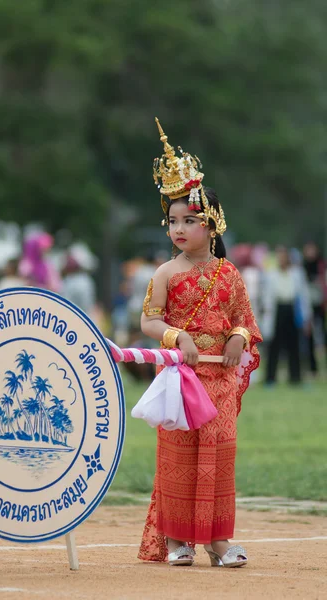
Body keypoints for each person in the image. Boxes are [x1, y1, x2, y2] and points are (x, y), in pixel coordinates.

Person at [138, 119, 262, 568]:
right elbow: (148, 321)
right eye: (172, 221)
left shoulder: (229, 274)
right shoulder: (165, 273)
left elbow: (245, 320)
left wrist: (237, 337)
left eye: (189, 220)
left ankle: (218, 542)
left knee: (219, 456)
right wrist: (178, 335)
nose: (179, 228)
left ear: (212, 224)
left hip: (221, 379)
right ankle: (177, 541)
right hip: (182, 378)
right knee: (179, 457)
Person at [263, 246, 311, 385]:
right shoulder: (271, 274)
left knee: (294, 345)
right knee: (274, 346)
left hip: (292, 309)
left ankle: (295, 378)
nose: (281, 259)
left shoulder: (297, 273)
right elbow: (267, 296)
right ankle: (270, 378)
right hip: (277, 310)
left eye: (283, 256)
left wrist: (307, 317)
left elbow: (303, 295)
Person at [302, 242, 327, 376]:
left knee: (323, 333)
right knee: (309, 336)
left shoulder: (321, 265)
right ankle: (313, 368)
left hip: (321, 304)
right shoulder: (302, 266)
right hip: (308, 304)